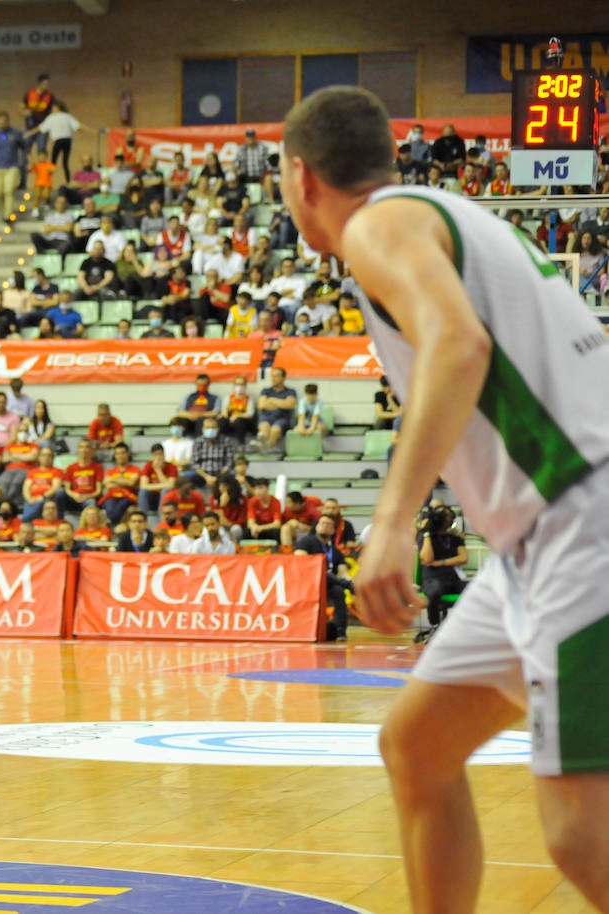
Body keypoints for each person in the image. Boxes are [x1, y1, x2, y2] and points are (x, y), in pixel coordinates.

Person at [283, 85, 609, 913]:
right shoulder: (434, 210)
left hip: (584, 518)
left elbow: (459, 346)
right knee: (419, 745)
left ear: (300, 178)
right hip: (536, 541)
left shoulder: (377, 227)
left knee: (580, 836)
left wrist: (391, 528)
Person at [416, 503, 467, 643]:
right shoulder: (425, 537)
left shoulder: (455, 537)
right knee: (435, 591)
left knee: (476, 587)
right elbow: (427, 559)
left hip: (452, 579)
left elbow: (463, 558)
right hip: (432, 579)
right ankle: (435, 625)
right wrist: (426, 532)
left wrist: (440, 563)